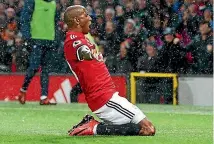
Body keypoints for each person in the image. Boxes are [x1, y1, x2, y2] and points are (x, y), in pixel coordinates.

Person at [64, 5, 155, 136]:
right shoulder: (73, 39)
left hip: (105, 98)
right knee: (148, 129)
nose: (90, 18)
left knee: (135, 128)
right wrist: (89, 54)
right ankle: (93, 128)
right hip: (105, 99)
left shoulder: (82, 38)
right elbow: (81, 50)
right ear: (77, 20)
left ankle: (93, 126)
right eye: (85, 15)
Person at [17, 0, 59, 105]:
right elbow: (24, 19)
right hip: (36, 39)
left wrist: (56, 39)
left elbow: (55, 22)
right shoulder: (33, 1)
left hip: (49, 40)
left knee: (46, 69)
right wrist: (27, 37)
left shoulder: (53, 3)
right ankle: (23, 90)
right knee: (34, 67)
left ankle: (44, 97)